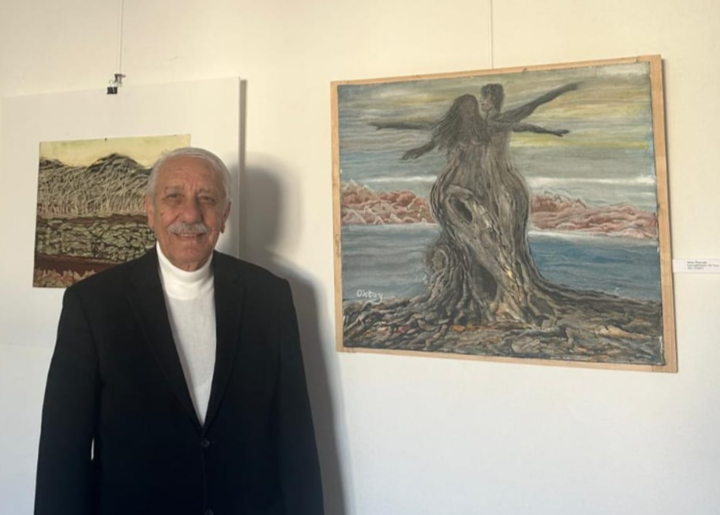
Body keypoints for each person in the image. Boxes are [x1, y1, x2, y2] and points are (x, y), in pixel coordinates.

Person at [35, 147, 324, 515]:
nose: (190, 214)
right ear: (150, 211)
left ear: (225, 214)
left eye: (207, 199)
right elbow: (63, 451)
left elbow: (296, 437)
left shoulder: (270, 297)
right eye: (174, 197)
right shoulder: (92, 304)